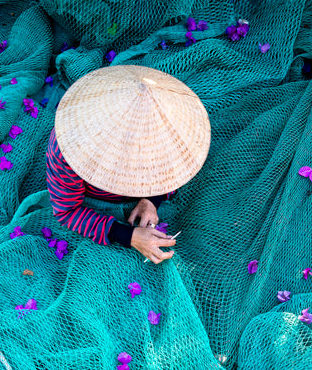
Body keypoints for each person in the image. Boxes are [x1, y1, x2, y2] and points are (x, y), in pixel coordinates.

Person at [46, 65, 210, 264]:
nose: (137, 175)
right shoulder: (68, 150)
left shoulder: (176, 131)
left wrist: (151, 201)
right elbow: (68, 211)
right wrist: (130, 236)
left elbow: (175, 168)